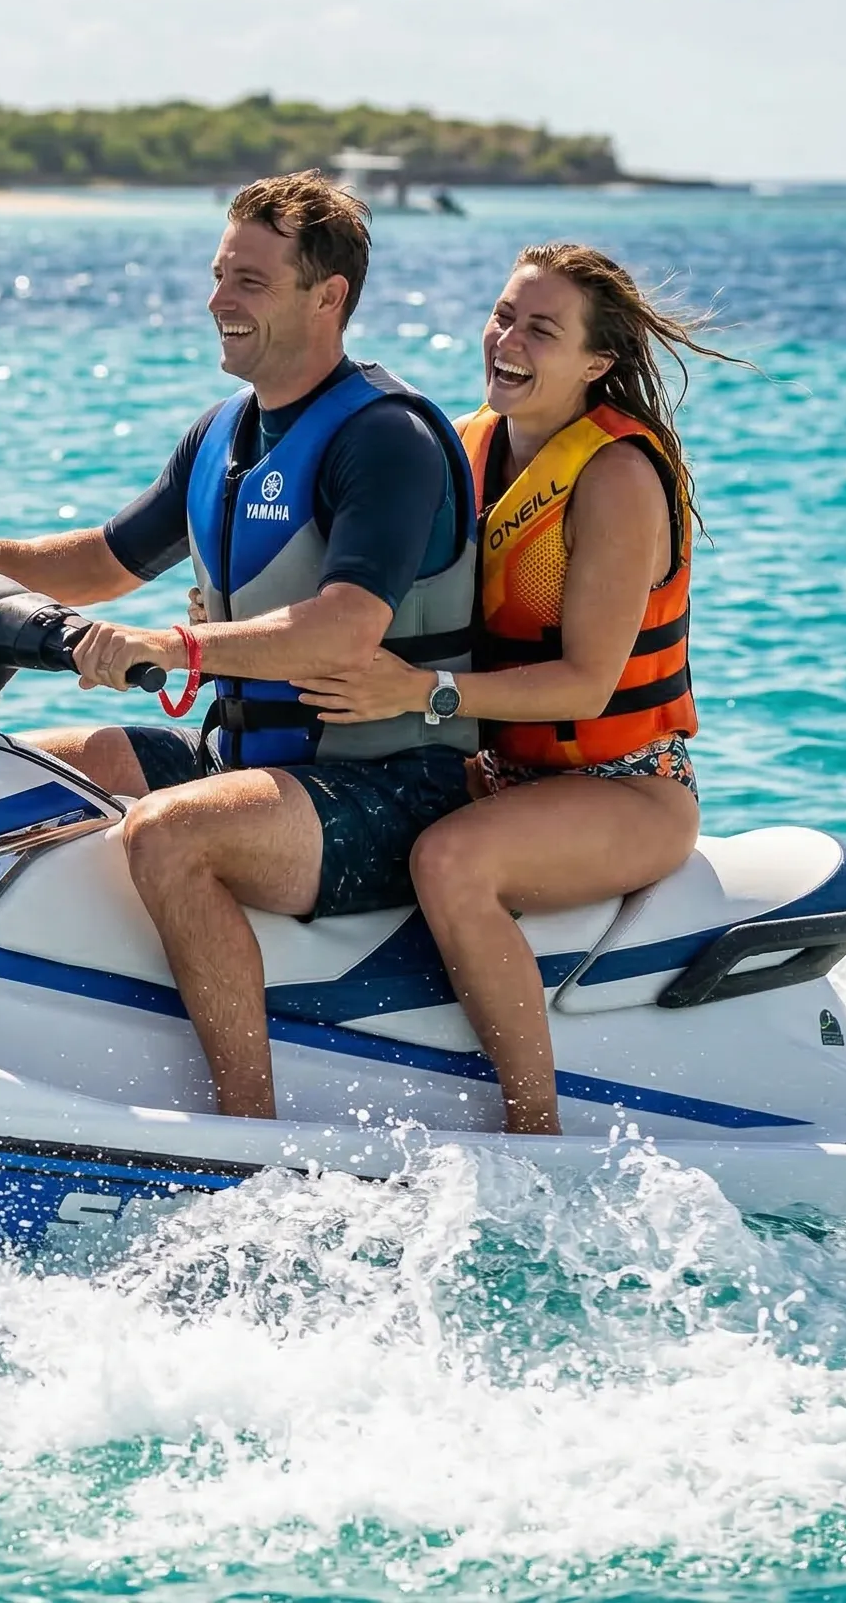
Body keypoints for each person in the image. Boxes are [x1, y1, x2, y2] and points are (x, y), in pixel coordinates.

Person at [0, 171, 477, 1118]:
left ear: (329, 298)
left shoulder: (384, 439)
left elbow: (346, 627)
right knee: (3, 768)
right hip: (242, 757)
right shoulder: (224, 433)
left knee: (170, 833)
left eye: (250, 282)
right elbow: (103, 561)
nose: (218, 302)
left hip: (388, 788)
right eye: (218, 274)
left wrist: (176, 648)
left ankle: (245, 1129)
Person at [297, 242, 732, 1135]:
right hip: (494, 773)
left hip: (628, 788)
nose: (509, 339)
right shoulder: (465, 447)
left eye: (542, 328)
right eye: (503, 316)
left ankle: (535, 1128)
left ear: (595, 363)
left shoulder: (617, 479)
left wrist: (421, 694)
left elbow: (584, 684)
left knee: (452, 862)